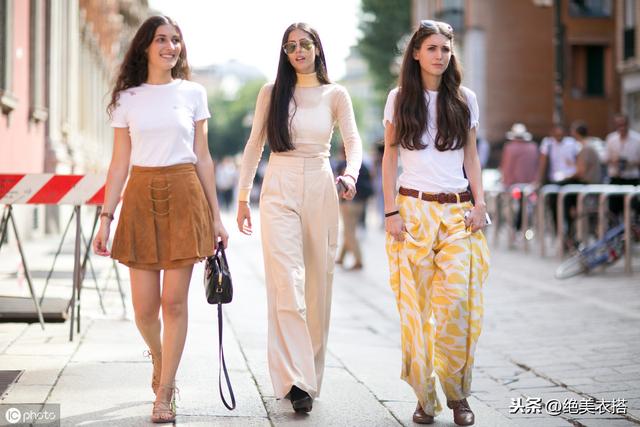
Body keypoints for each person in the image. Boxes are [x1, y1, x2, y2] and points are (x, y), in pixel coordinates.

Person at [93, 16, 228, 424]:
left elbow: (203, 158)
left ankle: (166, 389)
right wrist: (105, 218)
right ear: (145, 47)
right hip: (139, 197)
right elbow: (119, 164)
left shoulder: (193, 93)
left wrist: (217, 218)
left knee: (174, 302)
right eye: (162, 40)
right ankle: (158, 355)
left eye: (176, 41)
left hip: (186, 194)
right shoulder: (126, 98)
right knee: (145, 311)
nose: (171, 47)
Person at [235, 23, 362, 413]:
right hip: (279, 184)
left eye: (304, 44)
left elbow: (353, 141)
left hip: (322, 184)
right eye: (290, 46)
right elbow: (255, 142)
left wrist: (351, 174)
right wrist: (242, 198)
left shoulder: (335, 94)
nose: (297, 51)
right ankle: (295, 380)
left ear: (317, 48)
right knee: (286, 282)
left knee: (318, 286)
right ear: (285, 53)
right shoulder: (272, 93)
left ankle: (308, 378)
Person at [382, 20, 490, 426]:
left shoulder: (465, 99)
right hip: (412, 212)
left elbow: (472, 157)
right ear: (416, 53)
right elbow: (390, 157)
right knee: (415, 309)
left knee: (457, 307)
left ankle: (458, 393)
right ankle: (425, 397)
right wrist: (391, 211)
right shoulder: (398, 99)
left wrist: (480, 204)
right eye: (432, 49)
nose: (440, 56)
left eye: (445, 49)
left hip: (459, 214)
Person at [335, 149, 373, 270]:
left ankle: (358, 260)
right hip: (361, 203)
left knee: (348, 232)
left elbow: (342, 185)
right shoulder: (363, 165)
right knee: (349, 230)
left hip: (348, 203)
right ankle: (341, 258)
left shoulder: (344, 165)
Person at [500, 123, 539, 231]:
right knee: (528, 207)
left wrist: (505, 182)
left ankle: (514, 230)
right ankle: (526, 228)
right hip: (529, 185)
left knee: (511, 209)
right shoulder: (533, 147)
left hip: (513, 184)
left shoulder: (509, 147)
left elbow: (507, 166)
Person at [604, 114, 640, 186]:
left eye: (624, 125)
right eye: (619, 125)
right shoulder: (611, 138)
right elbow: (605, 159)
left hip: (632, 177)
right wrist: (614, 160)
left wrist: (630, 163)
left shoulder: (637, 139)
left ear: (628, 124)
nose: (622, 128)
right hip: (615, 177)